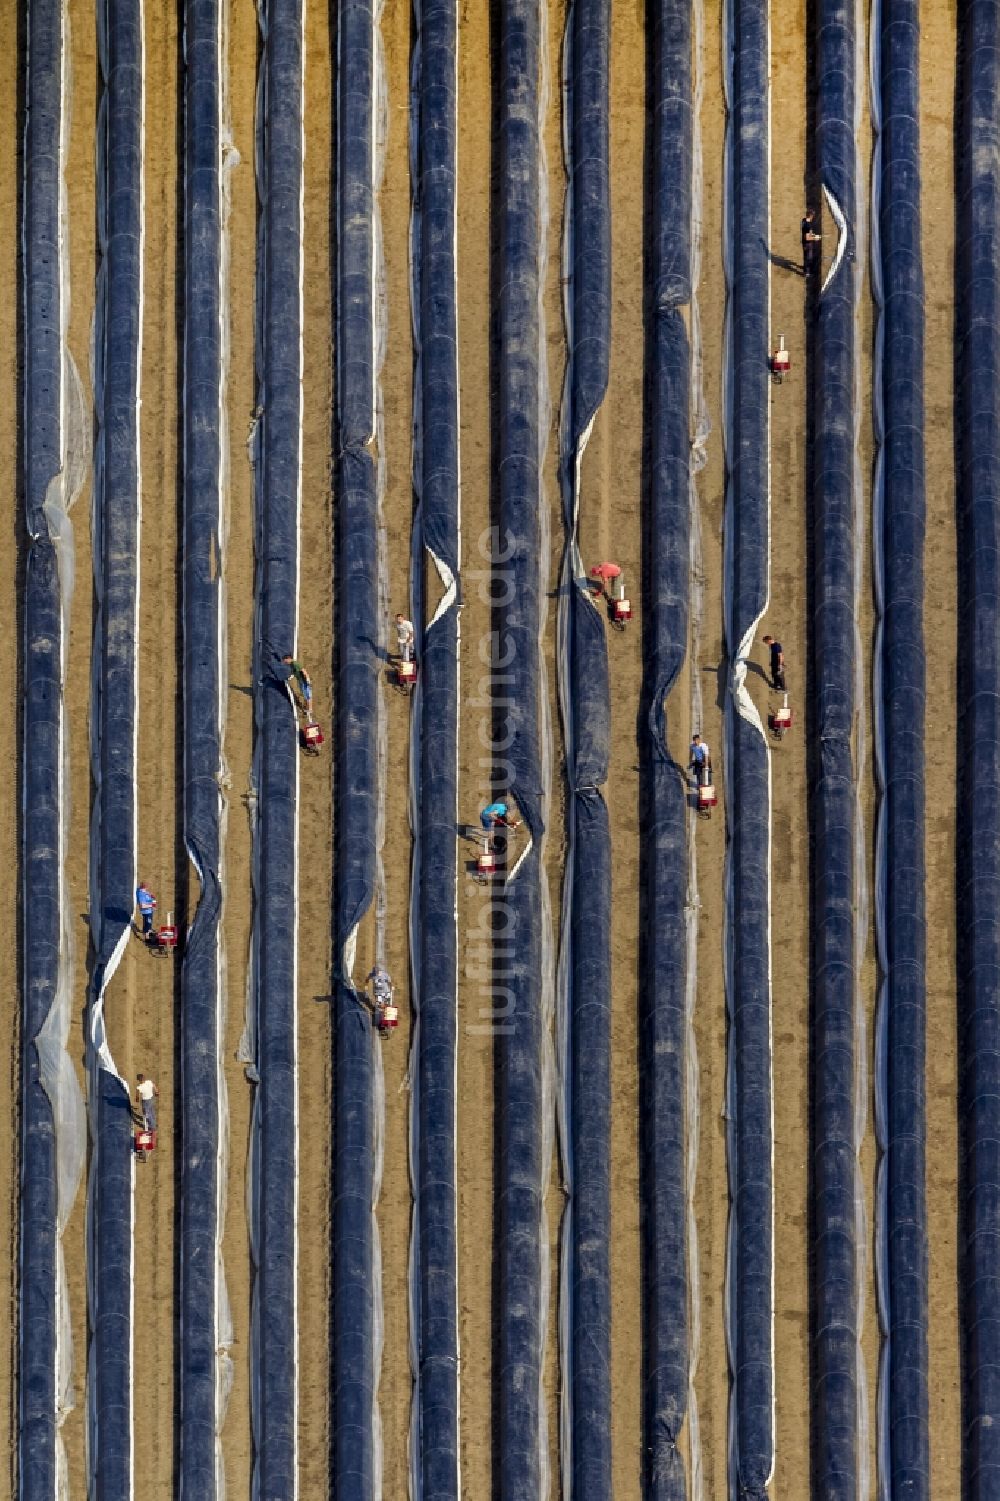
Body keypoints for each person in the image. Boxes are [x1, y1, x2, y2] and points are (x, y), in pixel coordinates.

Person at [801, 208, 822, 278]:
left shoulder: (803, 221)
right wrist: (815, 238)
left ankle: (805, 269)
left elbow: (807, 234)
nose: (813, 217)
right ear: (810, 216)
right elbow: (807, 237)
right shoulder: (808, 226)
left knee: (806, 256)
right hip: (808, 244)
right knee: (808, 258)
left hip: (804, 243)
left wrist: (813, 235)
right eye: (813, 216)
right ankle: (807, 272)